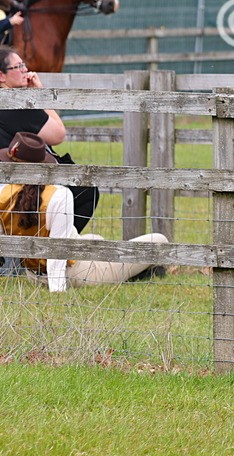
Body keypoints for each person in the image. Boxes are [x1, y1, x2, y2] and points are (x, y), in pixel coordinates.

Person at [0, 132, 164, 291]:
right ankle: (140, 272)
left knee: (95, 239)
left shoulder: (3, 194)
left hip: (34, 274)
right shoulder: (59, 195)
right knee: (158, 240)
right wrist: (57, 292)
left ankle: (132, 270)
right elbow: (57, 251)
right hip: (72, 274)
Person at [0, 45, 98, 232]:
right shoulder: (17, 104)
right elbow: (58, 134)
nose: (25, 70)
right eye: (17, 67)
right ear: (1, 76)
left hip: (8, 182)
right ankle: (58, 246)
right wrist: (40, 94)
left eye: (24, 65)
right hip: (22, 184)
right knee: (86, 191)